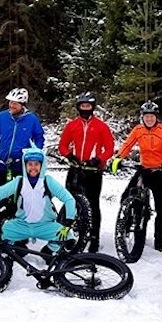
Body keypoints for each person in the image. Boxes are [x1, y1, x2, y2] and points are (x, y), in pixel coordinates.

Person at [110, 100, 162, 252]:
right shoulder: (138, 130)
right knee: (126, 195)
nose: (149, 119)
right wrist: (119, 157)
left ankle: (159, 239)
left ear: (156, 117)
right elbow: (127, 144)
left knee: (161, 208)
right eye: (146, 116)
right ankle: (128, 223)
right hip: (145, 170)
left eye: (151, 116)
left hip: (161, 171)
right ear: (142, 117)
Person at [0, 147, 77, 253]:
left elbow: (69, 199)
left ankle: (51, 250)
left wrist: (69, 221)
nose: (33, 168)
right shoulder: (19, 182)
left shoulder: (48, 181)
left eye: (36, 164)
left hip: (45, 225)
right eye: (30, 164)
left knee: (68, 236)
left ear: (42, 165)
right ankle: (9, 251)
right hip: (21, 225)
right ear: (25, 165)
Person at [57, 92, 115, 253]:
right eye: (82, 106)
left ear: (93, 107)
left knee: (93, 204)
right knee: (70, 201)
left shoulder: (101, 126)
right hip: (75, 169)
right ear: (78, 107)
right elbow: (62, 145)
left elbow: (110, 148)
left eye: (88, 106)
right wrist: (69, 154)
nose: (85, 109)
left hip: (93, 171)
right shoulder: (72, 125)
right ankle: (67, 233)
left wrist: (99, 159)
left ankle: (94, 238)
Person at [0, 87, 45, 186]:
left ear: (22, 105)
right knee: (1, 195)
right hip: (3, 162)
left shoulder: (32, 119)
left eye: (15, 103)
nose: (11, 105)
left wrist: (35, 153)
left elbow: (39, 137)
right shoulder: (2, 116)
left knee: (21, 195)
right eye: (10, 102)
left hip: (21, 163)